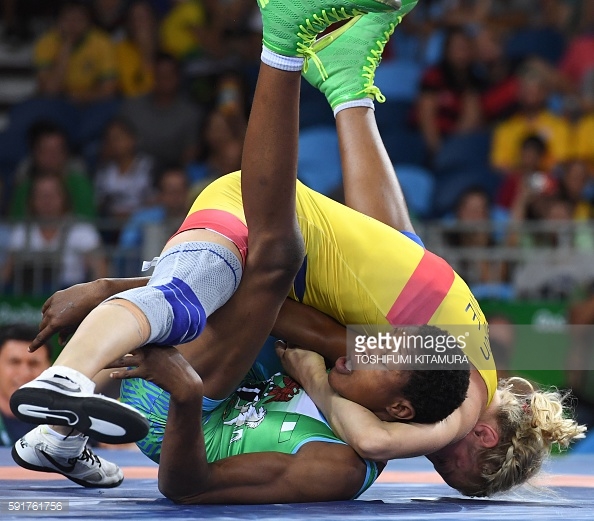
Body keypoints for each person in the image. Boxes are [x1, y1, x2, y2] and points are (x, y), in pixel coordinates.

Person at [13, 0, 584, 498]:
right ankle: (307, 62)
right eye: (451, 468)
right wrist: (312, 373)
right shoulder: (441, 399)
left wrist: (114, 291)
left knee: (330, 262)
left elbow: (385, 265)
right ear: (482, 436)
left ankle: (342, 89)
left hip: (192, 396)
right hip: (237, 319)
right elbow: (372, 433)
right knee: (295, 264)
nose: (431, 461)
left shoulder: (428, 375)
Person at [0, 325, 52, 447]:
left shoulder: (71, 424)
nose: (24, 373)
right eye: (15, 362)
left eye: (34, 363)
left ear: (49, 368)